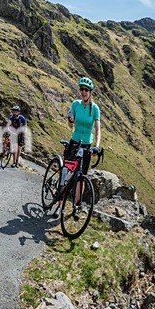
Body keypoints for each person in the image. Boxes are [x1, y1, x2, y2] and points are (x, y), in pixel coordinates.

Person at [53, 77, 102, 217]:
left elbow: (98, 129)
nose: (83, 92)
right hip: (74, 142)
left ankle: (77, 206)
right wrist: (70, 119)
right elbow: (70, 120)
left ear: (91, 92)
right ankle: (59, 205)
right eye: (81, 89)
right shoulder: (75, 104)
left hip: (87, 144)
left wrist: (97, 146)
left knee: (81, 176)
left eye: (86, 90)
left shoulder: (95, 109)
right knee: (66, 173)